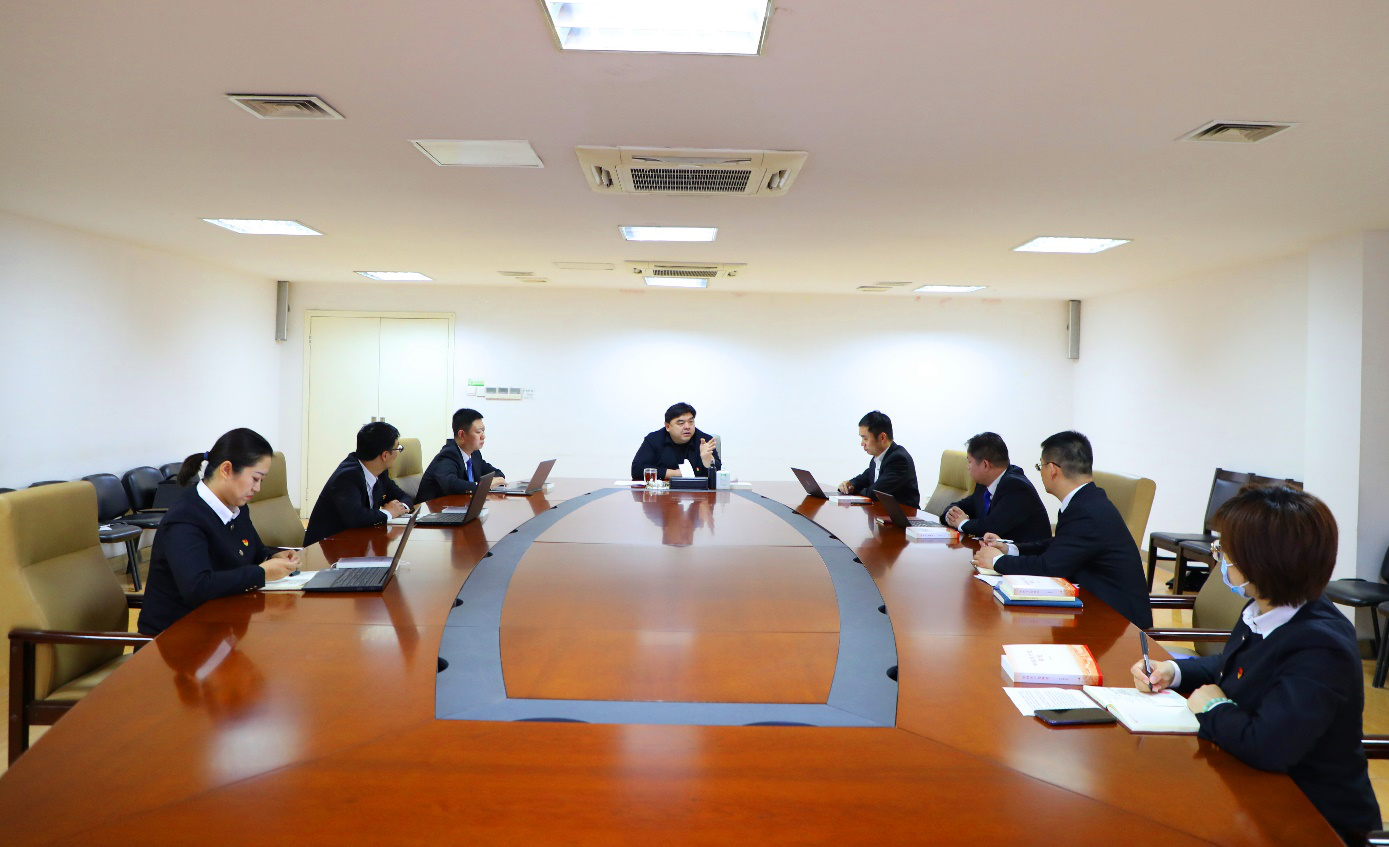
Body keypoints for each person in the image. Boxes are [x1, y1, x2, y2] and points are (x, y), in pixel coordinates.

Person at [1132, 485, 1379, 845]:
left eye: (1225, 551)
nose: (1220, 559)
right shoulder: (1265, 609)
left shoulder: (1320, 645)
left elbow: (1268, 746)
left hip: (1312, 819)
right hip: (1251, 789)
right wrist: (1175, 672)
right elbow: (1238, 667)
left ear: (1262, 561)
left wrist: (1213, 708)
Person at [972, 431, 1151, 628]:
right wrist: (1010, 549)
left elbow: (1050, 566)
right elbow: (1059, 546)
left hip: (1119, 623)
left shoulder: (1086, 510)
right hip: (1096, 608)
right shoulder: (1086, 501)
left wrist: (997, 561)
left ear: (1052, 470)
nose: (1041, 473)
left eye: (1040, 466)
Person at [137, 428, 298, 636]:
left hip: (221, 626)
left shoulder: (236, 507)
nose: (257, 488)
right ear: (226, 469)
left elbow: (254, 550)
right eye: (255, 478)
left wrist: (272, 556)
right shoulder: (185, 518)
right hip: (176, 637)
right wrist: (262, 573)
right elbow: (197, 587)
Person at [304, 421, 414, 547]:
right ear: (385, 455)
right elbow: (356, 517)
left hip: (357, 542)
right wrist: (389, 513)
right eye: (398, 448)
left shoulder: (380, 472)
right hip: (326, 548)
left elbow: (404, 497)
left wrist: (400, 508)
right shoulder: (347, 477)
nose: (398, 453)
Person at [940, 432, 1050, 543]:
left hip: (1026, 552)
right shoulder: (983, 484)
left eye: (970, 461)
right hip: (993, 551)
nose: (968, 467)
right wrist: (950, 514)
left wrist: (962, 523)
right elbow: (962, 505)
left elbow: (991, 528)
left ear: (985, 465)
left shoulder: (1016, 486)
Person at [416, 408, 507, 502]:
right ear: (462, 435)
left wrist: (495, 481)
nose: (483, 436)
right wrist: (483, 485)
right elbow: (450, 484)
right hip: (433, 509)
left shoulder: (474, 454)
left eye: (483, 431)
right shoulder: (448, 455)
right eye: (478, 432)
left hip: (461, 506)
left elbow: (496, 473)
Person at [839, 410, 920, 509]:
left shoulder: (898, 459)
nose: (862, 444)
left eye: (865, 438)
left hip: (905, 516)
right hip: (882, 513)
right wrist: (850, 485)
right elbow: (863, 479)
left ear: (882, 437)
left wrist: (857, 491)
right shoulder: (877, 459)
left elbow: (875, 493)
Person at [630, 402, 721, 481]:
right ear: (667, 426)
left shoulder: (705, 441)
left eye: (691, 422)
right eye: (681, 423)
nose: (687, 427)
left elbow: (719, 474)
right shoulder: (654, 439)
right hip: (663, 493)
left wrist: (707, 460)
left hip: (697, 493)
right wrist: (677, 474)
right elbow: (637, 469)